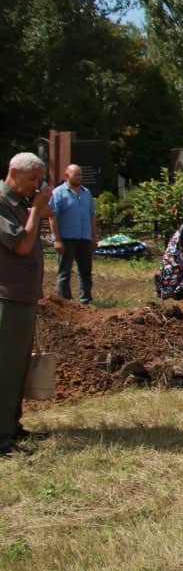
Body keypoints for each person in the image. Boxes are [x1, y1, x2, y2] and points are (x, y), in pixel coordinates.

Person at [0, 153, 52, 457]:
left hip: (23, 295)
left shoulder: (20, 202)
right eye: (33, 178)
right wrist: (35, 211)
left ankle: (12, 426)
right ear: (14, 173)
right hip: (7, 297)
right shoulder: (4, 203)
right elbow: (21, 245)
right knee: (5, 369)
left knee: (18, 367)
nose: (37, 185)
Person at [49, 163, 96, 303]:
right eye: (76, 175)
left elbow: (92, 215)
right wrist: (56, 239)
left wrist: (94, 236)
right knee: (64, 272)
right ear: (67, 175)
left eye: (80, 174)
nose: (79, 177)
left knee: (86, 272)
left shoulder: (86, 193)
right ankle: (64, 301)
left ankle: (86, 300)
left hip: (84, 238)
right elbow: (52, 216)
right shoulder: (58, 193)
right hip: (66, 238)